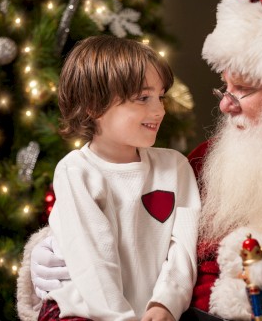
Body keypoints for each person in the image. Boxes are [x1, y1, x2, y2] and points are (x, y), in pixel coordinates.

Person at [18, 0, 262, 321]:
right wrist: (51, 249)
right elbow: (123, 223)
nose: (225, 106)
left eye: (244, 88)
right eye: (224, 87)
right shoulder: (209, 159)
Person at [19, 35, 202, 321]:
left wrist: (166, 303)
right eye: (143, 98)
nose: (159, 110)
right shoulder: (77, 172)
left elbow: (183, 248)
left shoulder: (175, 168)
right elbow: (93, 264)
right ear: (94, 105)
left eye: (160, 96)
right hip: (86, 313)